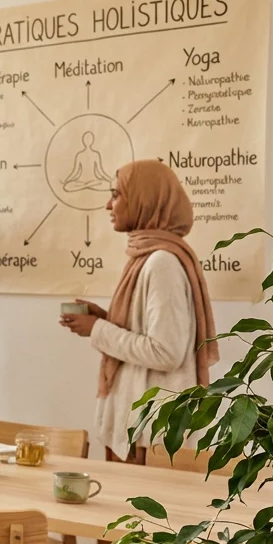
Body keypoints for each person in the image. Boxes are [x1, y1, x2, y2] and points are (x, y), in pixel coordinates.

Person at [59, 159, 218, 463]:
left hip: (149, 435)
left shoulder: (162, 263)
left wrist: (98, 329)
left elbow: (165, 351)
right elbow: (150, 336)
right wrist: (105, 319)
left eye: (117, 195)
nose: (109, 205)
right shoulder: (148, 256)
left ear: (145, 200)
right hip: (140, 429)